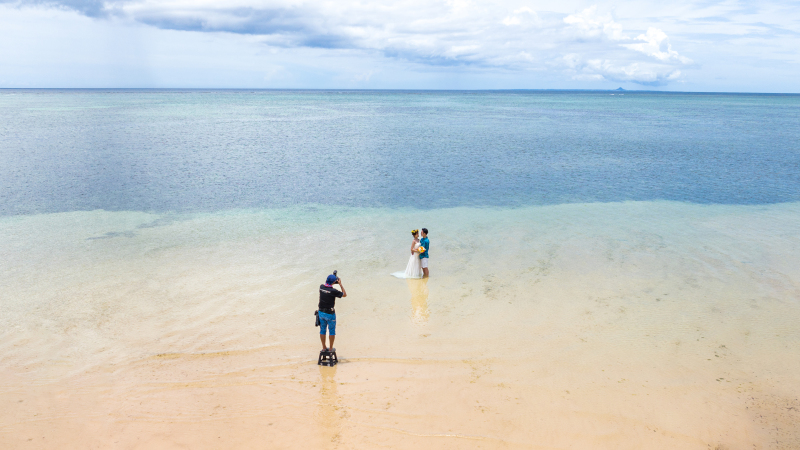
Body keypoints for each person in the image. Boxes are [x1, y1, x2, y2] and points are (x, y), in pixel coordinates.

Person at [318, 274, 346, 352]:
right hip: (330, 314)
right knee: (332, 331)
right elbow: (344, 294)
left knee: (322, 330)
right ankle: (330, 348)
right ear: (334, 282)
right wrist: (340, 284)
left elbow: (327, 286)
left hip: (321, 312)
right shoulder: (333, 291)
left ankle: (324, 348)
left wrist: (333, 279)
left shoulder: (321, 287)